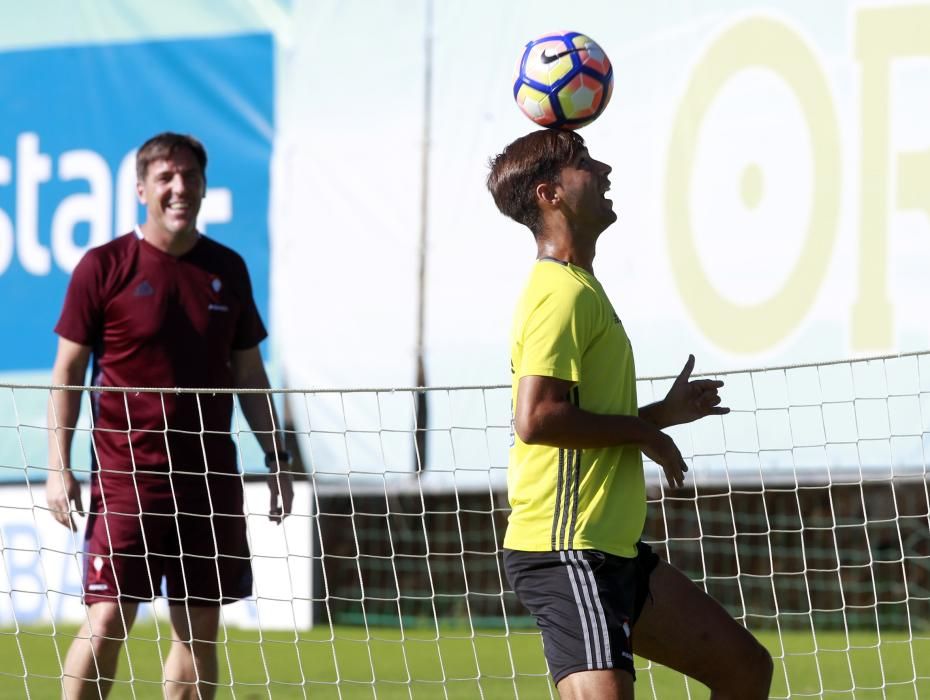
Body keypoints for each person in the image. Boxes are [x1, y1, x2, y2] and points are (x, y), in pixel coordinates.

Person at [487, 129, 773, 699]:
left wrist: (659, 415)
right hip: (565, 551)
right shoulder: (558, 294)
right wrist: (644, 432)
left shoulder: (581, 287)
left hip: (612, 550)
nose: (605, 168)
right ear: (550, 194)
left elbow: (578, 416)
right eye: (585, 163)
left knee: (745, 668)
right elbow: (538, 419)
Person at [46, 132, 294, 699]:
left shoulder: (227, 269)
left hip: (208, 483)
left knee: (199, 634)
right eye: (166, 177)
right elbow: (66, 374)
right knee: (107, 620)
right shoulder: (103, 267)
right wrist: (58, 468)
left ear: (204, 186)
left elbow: (249, 375)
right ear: (141, 189)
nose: (179, 188)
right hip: (127, 484)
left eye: (189, 177)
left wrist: (277, 457)